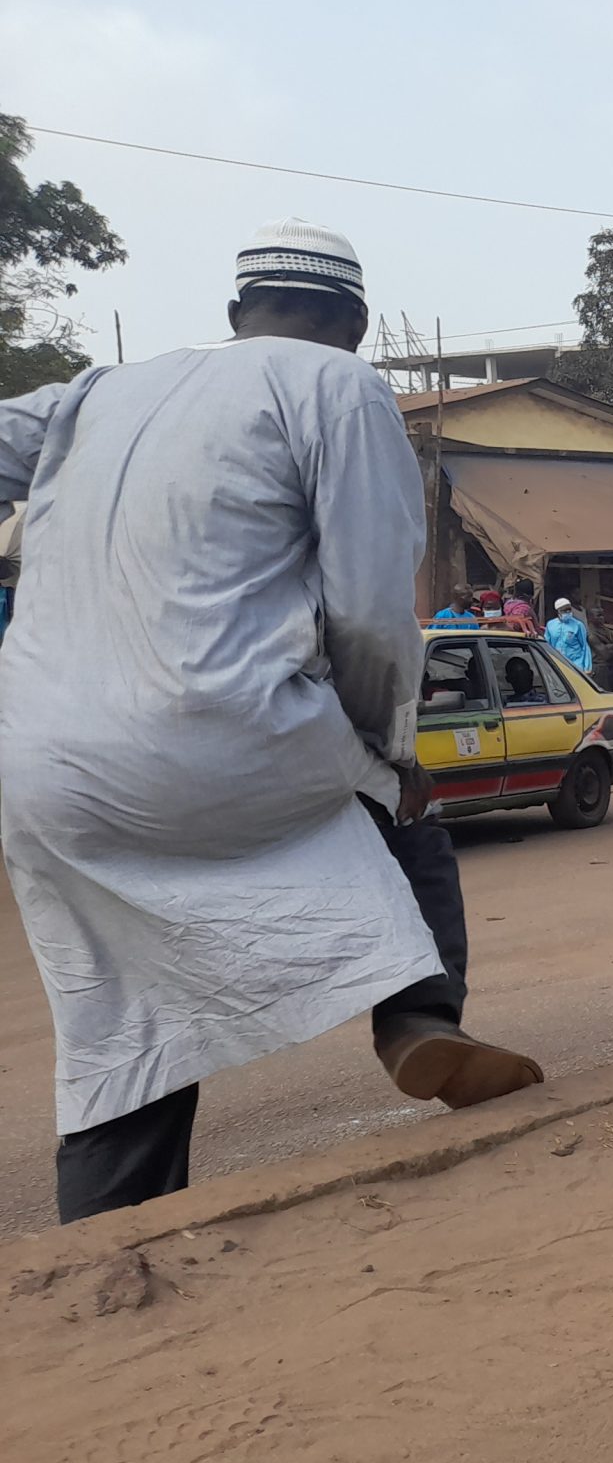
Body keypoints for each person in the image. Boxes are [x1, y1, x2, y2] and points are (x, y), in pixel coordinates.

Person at [0, 218, 541, 1224]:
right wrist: (389, 749)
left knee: (123, 1006)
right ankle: (417, 1018)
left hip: (41, 771)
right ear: (356, 322)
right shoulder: (340, 387)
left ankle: (108, 1236)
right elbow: (373, 610)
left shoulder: (92, 392)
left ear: (236, 315)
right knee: (403, 815)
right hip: (216, 735)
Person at [545, 596, 594, 674]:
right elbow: (547, 645)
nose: (568, 612)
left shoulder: (578, 625)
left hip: (576, 665)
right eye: (564, 610)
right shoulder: (550, 625)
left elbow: (584, 646)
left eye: (569, 609)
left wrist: (587, 667)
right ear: (558, 611)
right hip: (557, 664)